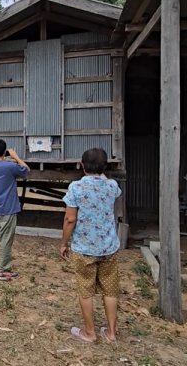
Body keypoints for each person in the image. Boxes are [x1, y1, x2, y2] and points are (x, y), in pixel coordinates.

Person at [59, 147, 122, 343]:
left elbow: (70, 219)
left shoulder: (76, 188)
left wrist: (63, 243)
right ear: (105, 166)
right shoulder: (112, 186)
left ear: (82, 165)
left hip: (84, 248)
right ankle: (111, 333)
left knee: (85, 290)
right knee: (110, 289)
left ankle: (89, 332)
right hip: (109, 246)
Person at [0, 139, 29, 281]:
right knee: (5, 240)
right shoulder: (10, 166)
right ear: (5, 151)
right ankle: (4, 269)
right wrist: (15, 156)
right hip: (8, 209)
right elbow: (26, 170)